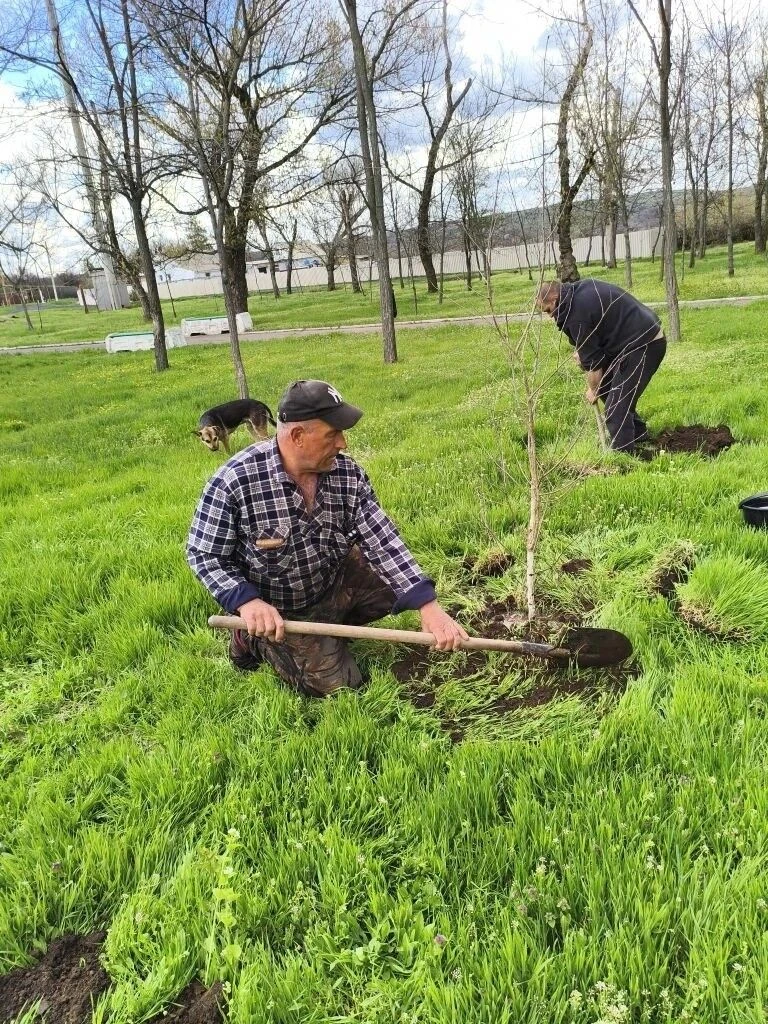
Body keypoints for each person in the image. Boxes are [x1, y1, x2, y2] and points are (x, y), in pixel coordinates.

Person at [187, 379, 468, 697]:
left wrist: (428, 606)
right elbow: (204, 553)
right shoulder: (234, 481)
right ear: (297, 436)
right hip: (281, 608)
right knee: (341, 688)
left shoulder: (347, 474)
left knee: (409, 589)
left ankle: (333, 624)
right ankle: (252, 637)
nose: (343, 443)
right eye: (333, 434)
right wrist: (248, 603)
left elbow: (381, 538)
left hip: (331, 578)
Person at [536, 278, 666, 454]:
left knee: (615, 407)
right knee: (608, 388)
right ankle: (638, 434)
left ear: (554, 299)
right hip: (629, 342)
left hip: (644, 344)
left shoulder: (576, 315)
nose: (550, 315)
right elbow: (592, 343)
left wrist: (593, 390)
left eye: (548, 310)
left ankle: (623, 458)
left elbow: (594, 366)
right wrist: (583, 353)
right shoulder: (577, 293)